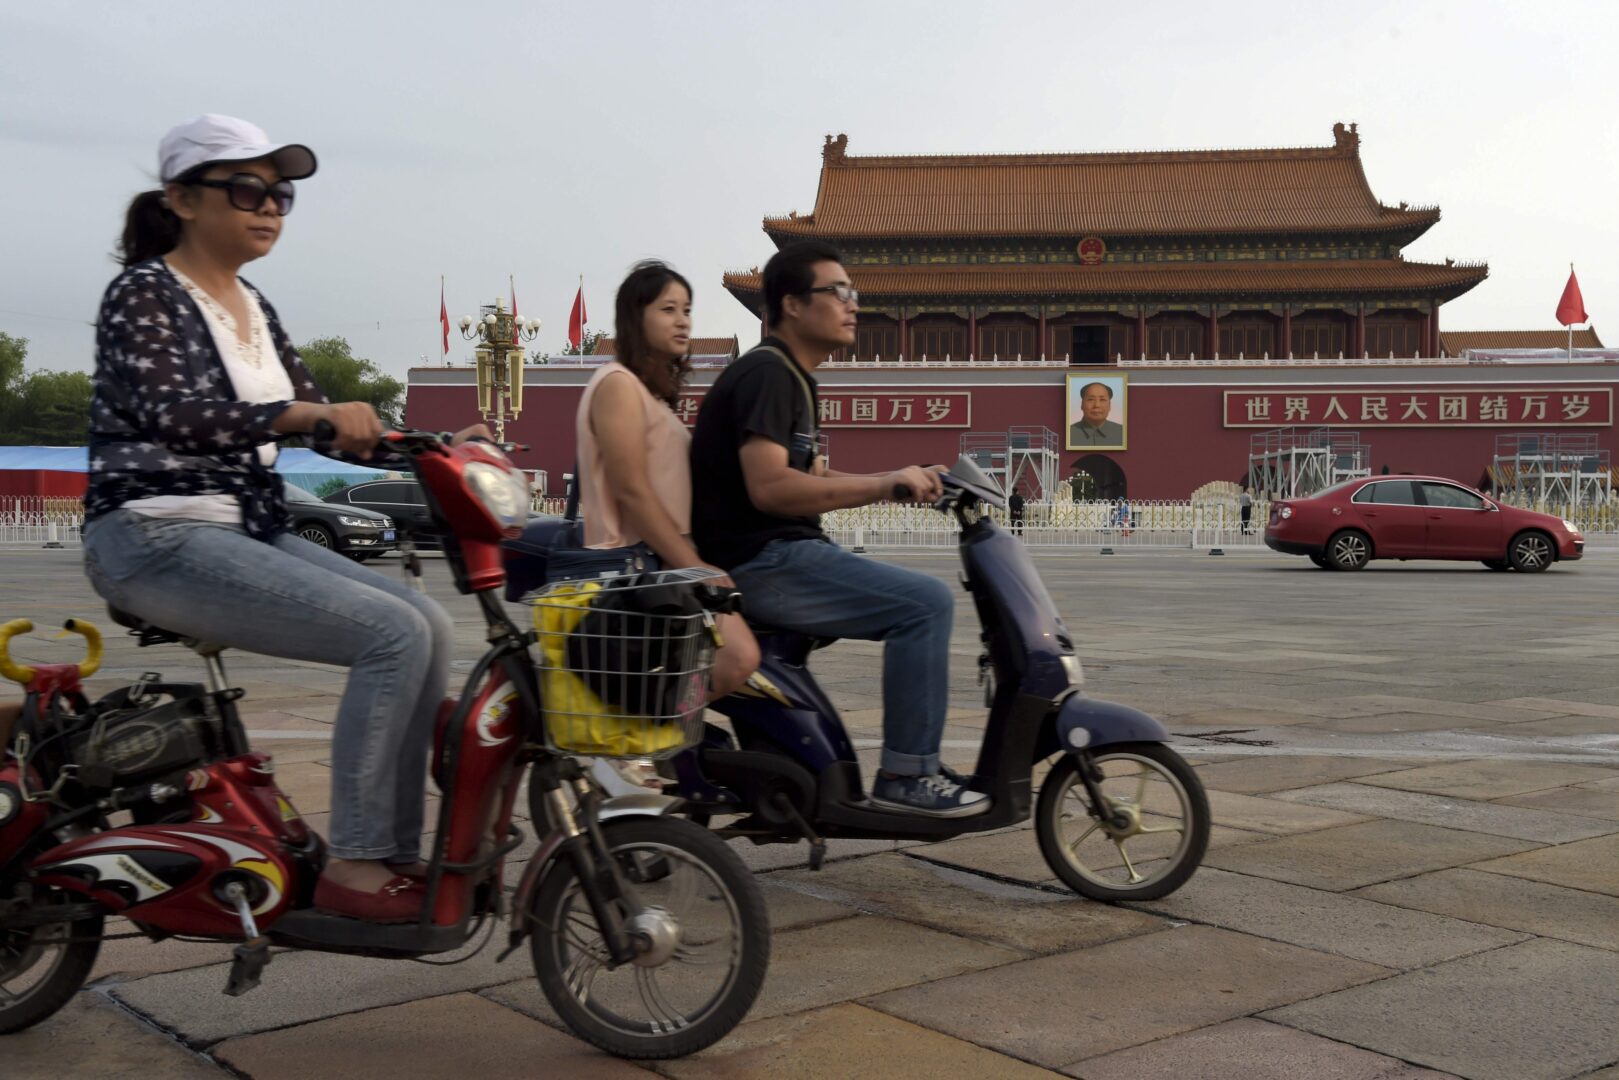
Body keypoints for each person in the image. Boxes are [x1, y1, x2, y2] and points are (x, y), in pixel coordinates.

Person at [81, 114, 487, 924]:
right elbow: (175, 415)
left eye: (280, 194)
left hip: (240, 528)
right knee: (391, 634)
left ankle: (393, 851)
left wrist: (434, 445)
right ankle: (356, 865)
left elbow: (323, 423)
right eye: (246, 189)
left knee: (430, 624)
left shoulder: (253, 304)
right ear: (182, 199)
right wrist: (303, 415)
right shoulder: (144, 293)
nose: (268, 206)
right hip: (151, 532)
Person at [689, 240, 986, 817]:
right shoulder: (770, 373)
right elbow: (770, 487)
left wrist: (902, 479)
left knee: (919, 599)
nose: (854, 304)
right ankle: (907, 775)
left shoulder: (792, 377)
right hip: (762, 560)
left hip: (777, 553)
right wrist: (884, 484)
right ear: (792, 304)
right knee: (925, 604)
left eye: (854, 293)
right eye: (839, 291)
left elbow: (811, 477)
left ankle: (905, 765)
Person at [575, 260, 759, 700]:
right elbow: (631, 490)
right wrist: (695, 567)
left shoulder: (648, 396)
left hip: (662, 562)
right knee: (737, 657)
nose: (682, 321)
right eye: (668, 309)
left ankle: (662, 731)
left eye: (687, 310)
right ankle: (660, 732)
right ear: (635, 316)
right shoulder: (617, 385)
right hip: (638, 564)